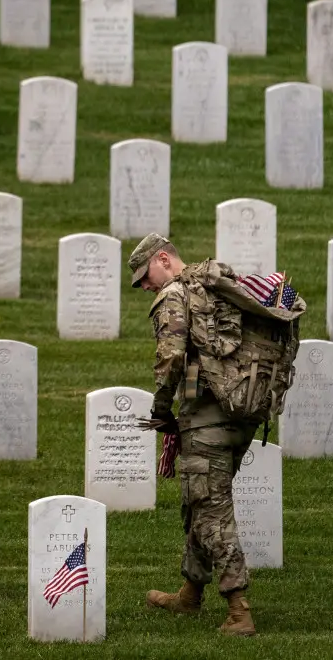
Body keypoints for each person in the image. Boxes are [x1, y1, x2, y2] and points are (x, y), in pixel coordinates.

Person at [128, 233, 258, 637]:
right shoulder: (216, 286)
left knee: (210, 508)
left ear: (163, 259)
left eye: (144, 275)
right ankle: (190, 593)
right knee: (200, 502)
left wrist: (161, 411)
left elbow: (171, 358)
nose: (144, 286)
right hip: (243, 412)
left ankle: (240, 611)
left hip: (208, 416)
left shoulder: (174, 296)